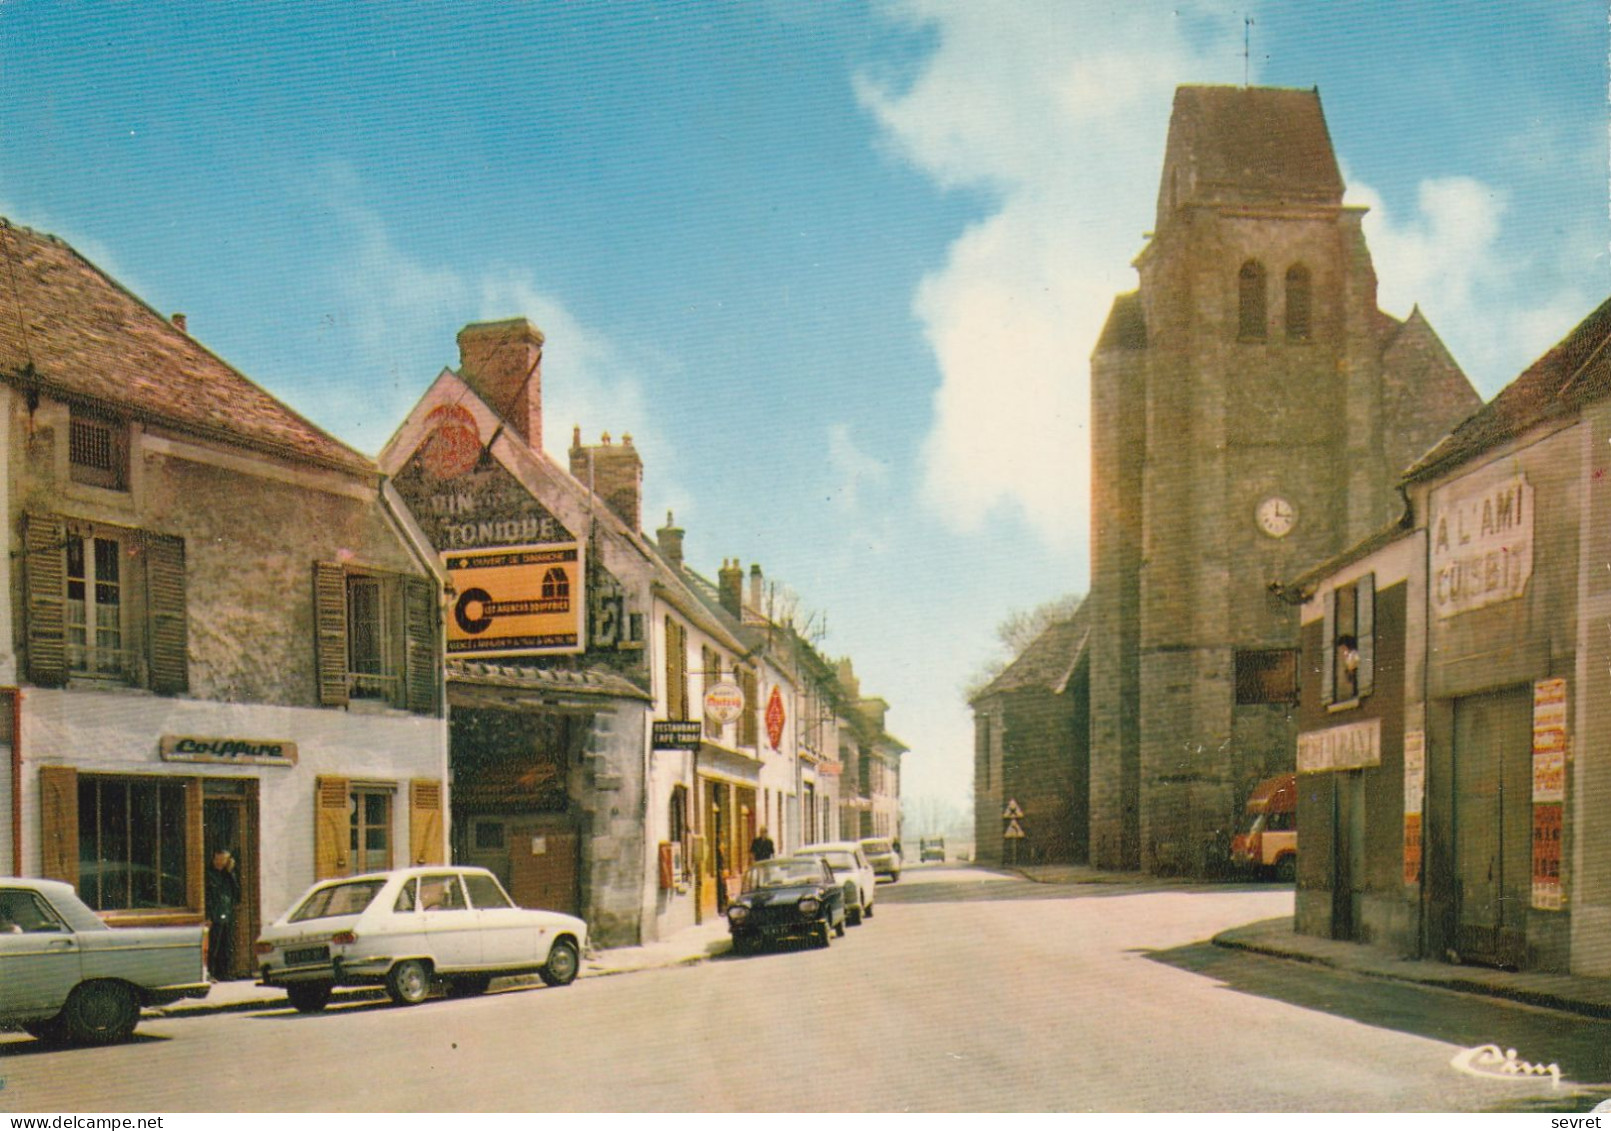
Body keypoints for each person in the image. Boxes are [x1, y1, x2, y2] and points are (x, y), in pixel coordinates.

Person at [205, 848, 240, 980]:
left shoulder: (228, 875)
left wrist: (231, 873)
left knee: (226, 946)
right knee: (213, 947)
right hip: (215, 915)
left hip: (227, 914)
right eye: (218, 859)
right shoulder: (209, 874)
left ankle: (224, 973)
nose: (220, 863)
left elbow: (237, 893)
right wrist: (208, 916)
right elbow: (207, 897)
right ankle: (211, 973)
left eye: (224, 860)